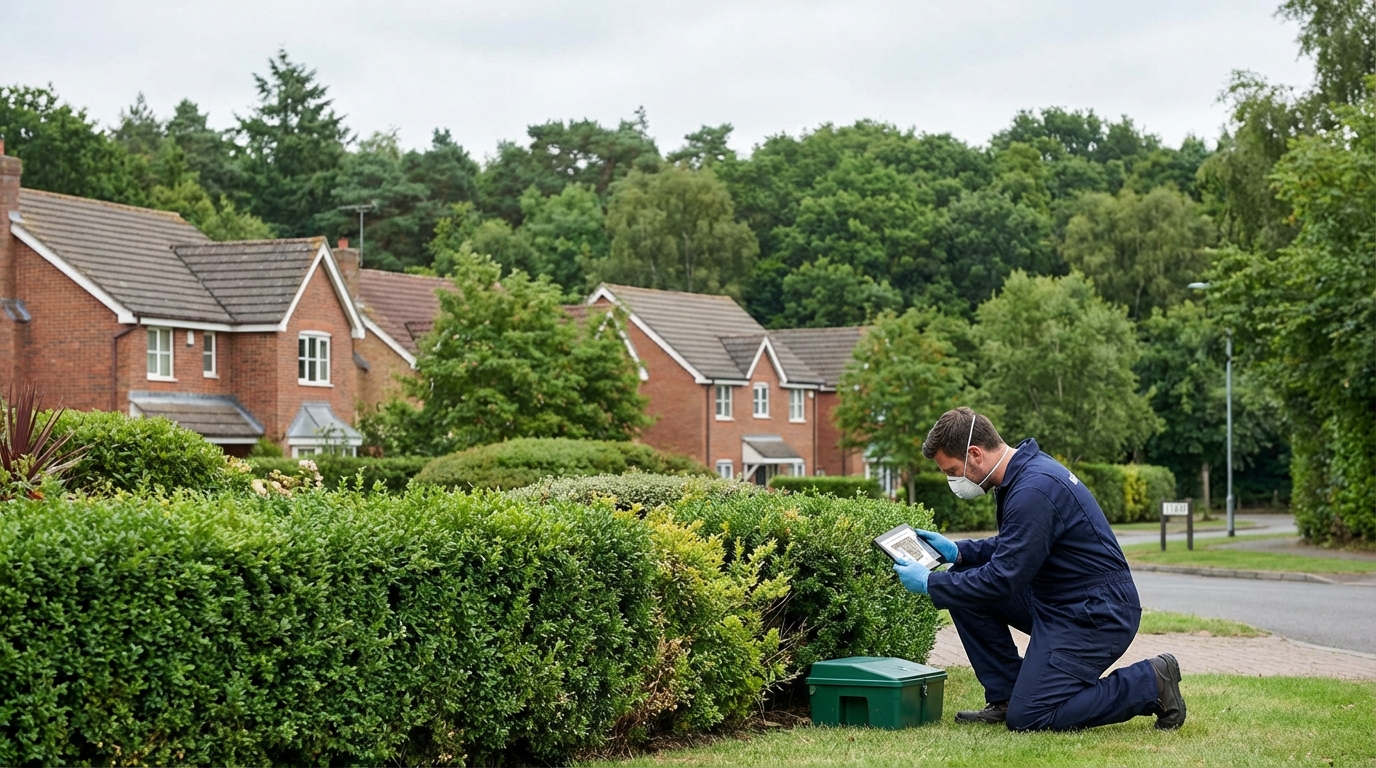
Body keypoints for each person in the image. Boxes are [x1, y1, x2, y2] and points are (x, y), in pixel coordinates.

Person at [891, 407, 1186, 732]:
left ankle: (1151, 681)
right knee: (962, 586)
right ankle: (1007, 696)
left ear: (975, 454)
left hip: (1097, 614)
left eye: (952, 470)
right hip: (1061, 600)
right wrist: (959, 552)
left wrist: (931, 584)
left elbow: (1003, 579)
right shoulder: (1022, 476)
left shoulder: (1034, 489)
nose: (952, 481)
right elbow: (1018, 546)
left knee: (1031, 716)